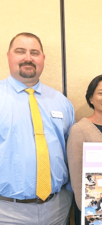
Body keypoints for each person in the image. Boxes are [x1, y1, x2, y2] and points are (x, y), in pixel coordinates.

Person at [0, 32, 74, 224]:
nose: (28, 58)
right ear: (8, 55)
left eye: (34, 52)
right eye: (20, 51)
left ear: (42, 58)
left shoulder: (61, 102)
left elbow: (71, 152)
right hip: (6, 211)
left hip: (56, 208)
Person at [67, 74, 102, 223]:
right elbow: (76, 176)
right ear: (91, 98)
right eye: (101, 93)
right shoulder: (79, 130)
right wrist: (87, 211)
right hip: (91, 211)